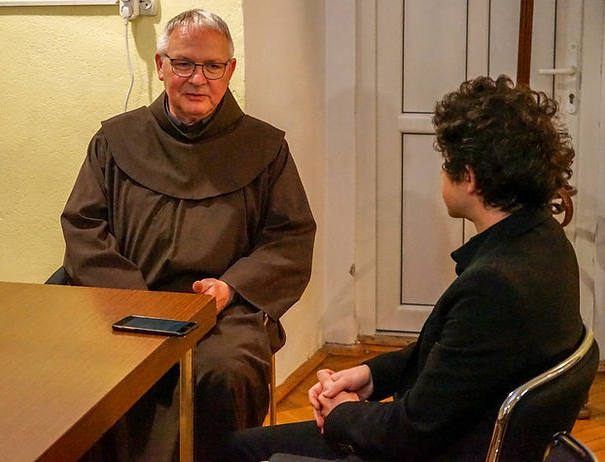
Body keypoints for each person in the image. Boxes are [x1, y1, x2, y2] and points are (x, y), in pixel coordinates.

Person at [221, 75, 584, 461]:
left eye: (447, 163)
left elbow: (410, 432)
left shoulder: (494, 286)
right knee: (242, 446)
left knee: (240, 451)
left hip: (434, 452)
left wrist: (343, 413)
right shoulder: (546, 241)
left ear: (470, 178)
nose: (442, 172)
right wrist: (369, 376)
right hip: (454, 437)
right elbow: (455, 359)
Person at [60, 9, 316, 461]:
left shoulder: (264, 147)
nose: (198, 79)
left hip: (222, 312)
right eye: (183, 64)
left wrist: (232, 287)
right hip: (124, 300)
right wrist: (133, 298)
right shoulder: (115, 140)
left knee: (225, 370)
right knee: (74, 361)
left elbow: (289, 238)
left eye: (212, 66)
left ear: (229, 71)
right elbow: (84, 225)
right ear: (161, 66)